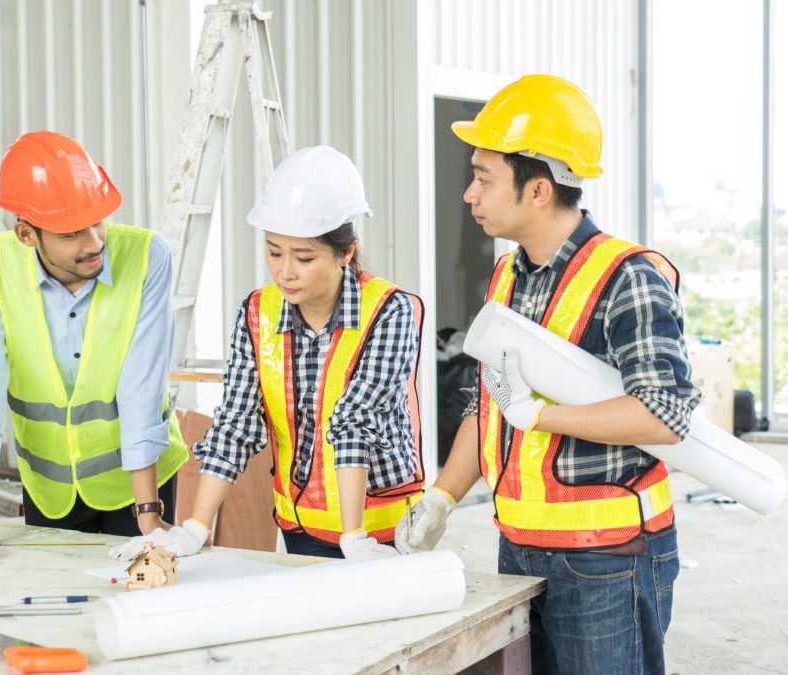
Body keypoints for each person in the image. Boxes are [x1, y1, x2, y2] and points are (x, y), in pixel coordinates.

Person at [397, 75, 700, 674]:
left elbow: (666, 415)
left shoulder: (628, 278)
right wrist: (441, 497)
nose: (469, 195)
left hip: (608, 558)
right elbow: (488, 401)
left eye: (484, 179)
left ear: (538, 190)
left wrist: (539, 415)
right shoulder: (508, 277)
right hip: (520, 545)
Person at [111, 145, 425, 562]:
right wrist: (195, 527)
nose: (285, 271)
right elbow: (237, 422)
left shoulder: (389, 312)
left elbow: (355, 422)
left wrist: (354, 536)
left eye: (304, 257)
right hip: (300, 525)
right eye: (274, 251)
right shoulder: (258, 313)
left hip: (378, 532)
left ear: (345, 253)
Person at [0, 131, 188, 570]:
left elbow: (141, 387)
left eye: (99, 220)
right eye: (72, 232)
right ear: (27, 234)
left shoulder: (148, 256)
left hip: (139, 486)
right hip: (49, 490)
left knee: (137, 603)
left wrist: (149, 517)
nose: (94, 242)